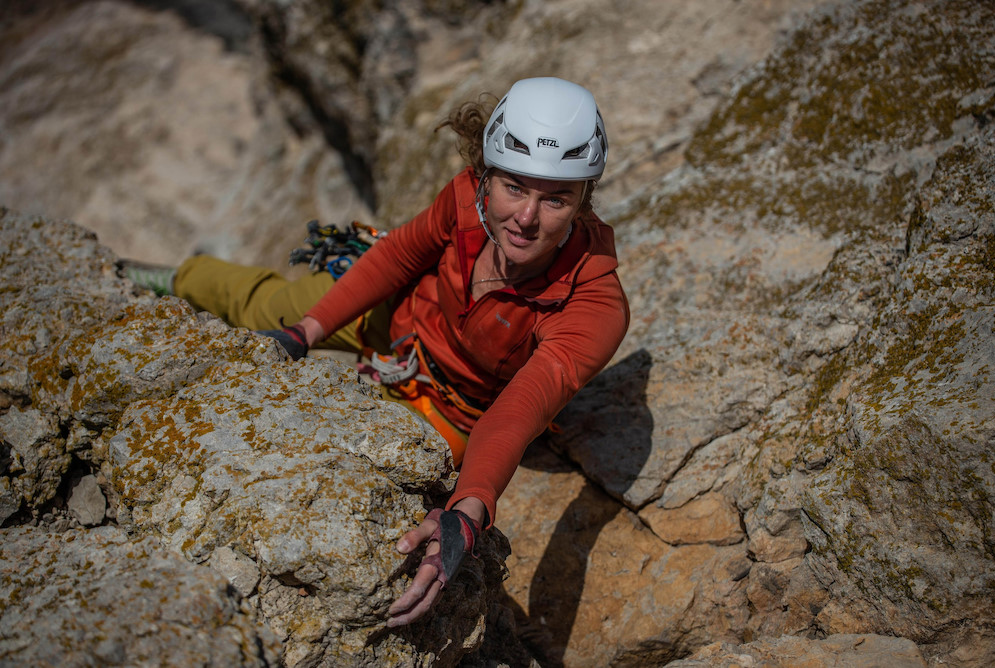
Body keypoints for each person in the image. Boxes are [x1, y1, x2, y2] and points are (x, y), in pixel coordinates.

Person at [122, 76, 629, 627]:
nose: (527, 218)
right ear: (486, 177)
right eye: (513, 187)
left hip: (452, 407)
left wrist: (467, 511)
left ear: (583, 200)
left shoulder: (594, 305)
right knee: (271, 306)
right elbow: (400, 256)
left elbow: (520, 409)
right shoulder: (465, 198)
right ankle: (168, 278)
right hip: (396, 317)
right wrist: (306, 331)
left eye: (555, 198)